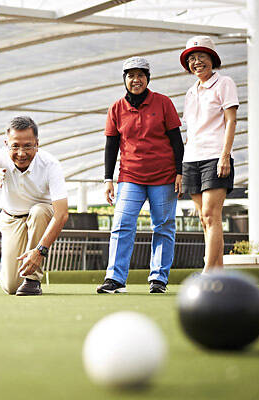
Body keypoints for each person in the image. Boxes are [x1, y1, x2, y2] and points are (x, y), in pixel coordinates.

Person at [98, 56, 184, 294]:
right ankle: (115, 279)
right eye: (130, 76)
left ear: (148, 78)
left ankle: (159, 279)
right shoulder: (116, 108)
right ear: (124, 79)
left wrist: (180, 172)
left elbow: (177, 141)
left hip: (164, 177)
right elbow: (111, 146)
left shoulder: (163, 103)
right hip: (130, 177)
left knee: (164, 226)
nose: (136, 80)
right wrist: (108, 179)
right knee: (122, 224)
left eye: (140, 75)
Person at [0, 116, 69, 296]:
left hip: (40, 216)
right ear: (6, 144)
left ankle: (32, 281)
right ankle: (21, 278)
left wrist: (40, 251)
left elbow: (62, 214)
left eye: (28, 146)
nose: (21, 153)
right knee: (10, 287)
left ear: (37, 144)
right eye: (15, 146)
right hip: (11, 220)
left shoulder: (50, 164)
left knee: (39, 211)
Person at [180, 36, 239, 273]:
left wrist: (225, 155)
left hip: (215, 156)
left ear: (212, 59)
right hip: (191, 158)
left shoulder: (224, 83)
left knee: (210, 214)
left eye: (201, 57)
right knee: (204, 220)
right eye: (192, 59)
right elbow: (190, 131)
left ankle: (207, 271)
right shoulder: (190, 92)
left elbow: (231, 120)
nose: (196, 62)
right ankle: (218, 272)